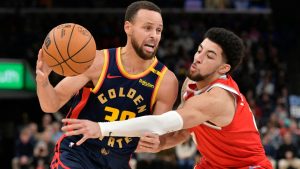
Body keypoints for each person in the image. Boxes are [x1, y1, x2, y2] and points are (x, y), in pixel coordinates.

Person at [62, 27, 273, 168]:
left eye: (209, 56)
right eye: (200, 50)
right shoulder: (190, 85)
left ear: (224, 68)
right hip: (212, 164)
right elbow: (183, 132)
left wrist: (101, 128)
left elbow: (160, 123)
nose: (198, 58)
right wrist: (162, 144)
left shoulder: (216, 99)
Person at [36, 1, 178, 169]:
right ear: (128, 27)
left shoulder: (166, 81)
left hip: (117, 162)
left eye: (158, 30)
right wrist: (43, 81)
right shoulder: (98, 62)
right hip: (77, 154)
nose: (154, 35)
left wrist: (156, 142)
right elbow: (51, 104)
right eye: (147, 28)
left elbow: (155, 133)